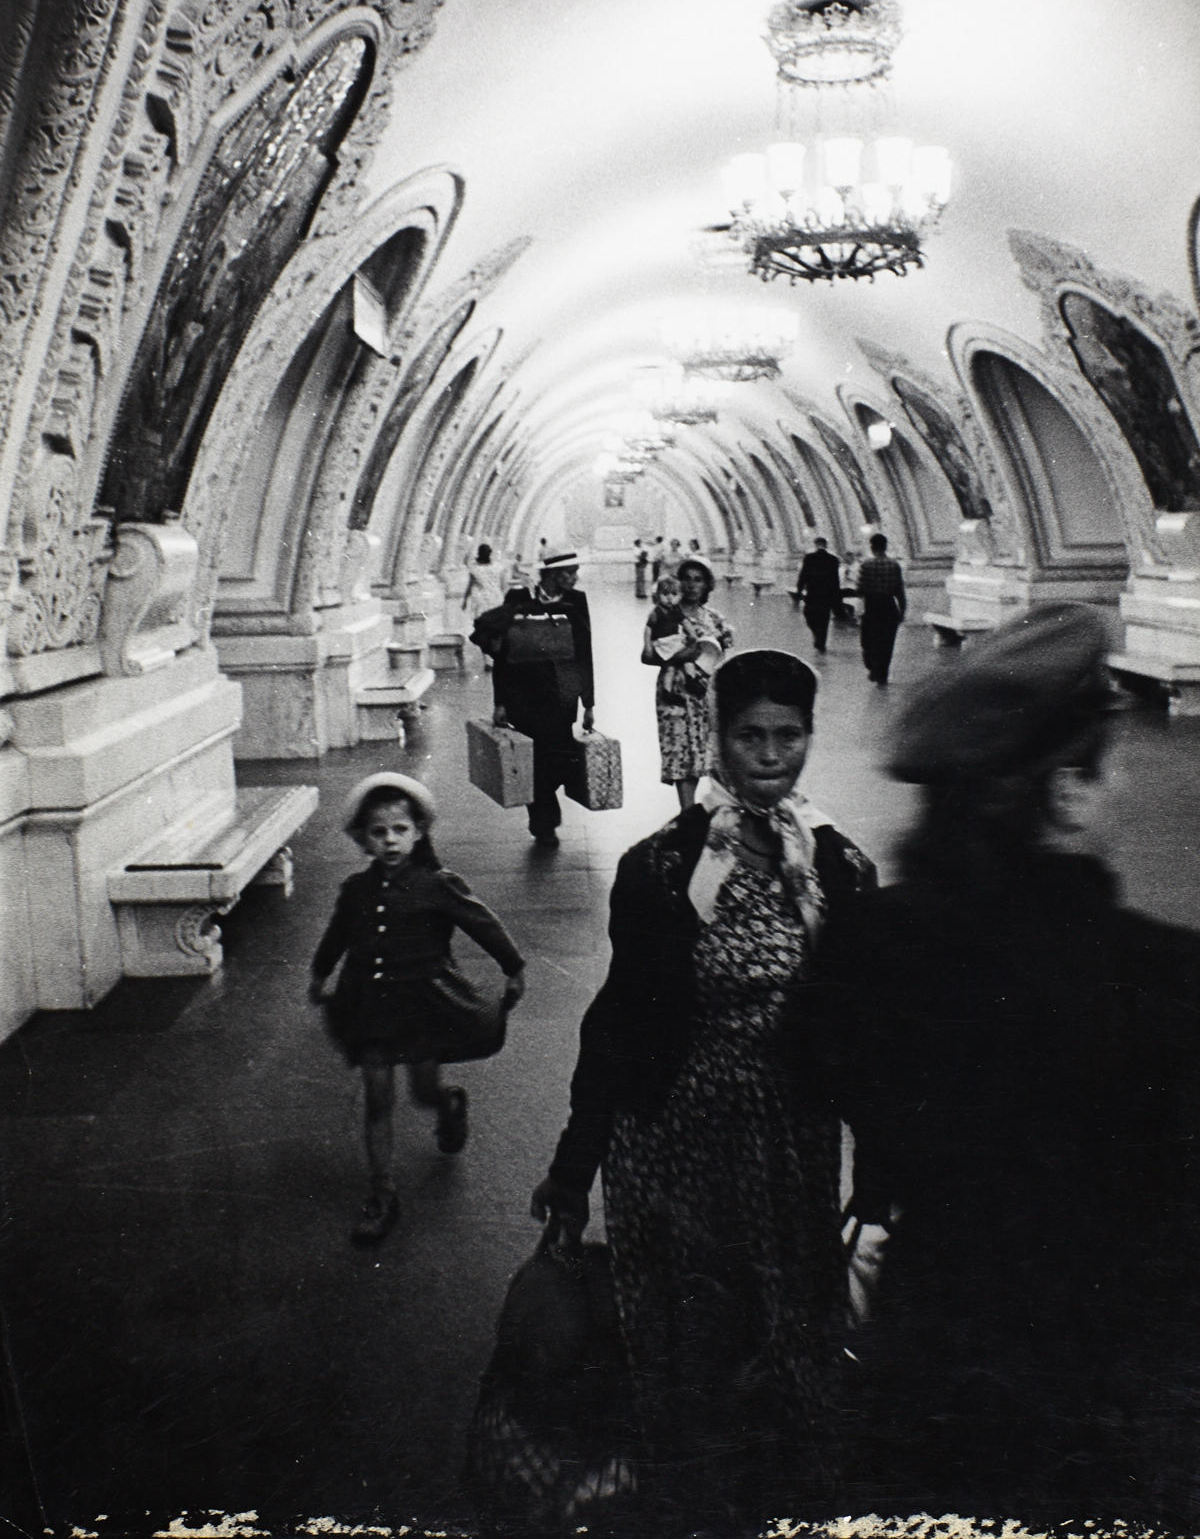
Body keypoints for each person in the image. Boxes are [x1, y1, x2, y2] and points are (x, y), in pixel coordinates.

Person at [811, 604, 1200, 1526]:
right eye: (1104, 767)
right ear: (1065, 792)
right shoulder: (1160, 981)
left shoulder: (866, 945)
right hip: (1105, 1399)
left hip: (929, 1363)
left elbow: (831, 1079)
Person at [531, 650, 877, 1535]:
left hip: (788, 1142)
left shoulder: (839, 869)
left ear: (809, 736)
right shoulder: (661, 867)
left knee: (791, 1321)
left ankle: (784, 1501)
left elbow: (864, 1029)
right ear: (717, 738)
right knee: (693, 1335)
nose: (770, 755)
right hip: (673, 1139)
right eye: (750, 736)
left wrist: (878, 1170)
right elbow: (617, 1022)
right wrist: (573, 1170)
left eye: (788, 736)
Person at [308, 772, 526, 1246]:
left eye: (399, 830)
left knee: (423, 1091)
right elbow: (337, 934)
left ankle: (448, 1104)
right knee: (378, 1097)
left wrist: (512, 966)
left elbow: (481, 922)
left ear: (419, 831)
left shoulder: (437, 885)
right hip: (370, 1006)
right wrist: (320, 972)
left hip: (422, 1006)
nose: (389, 840)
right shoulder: (355, 890)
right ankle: (382, 1192)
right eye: (378, 832)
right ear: (362, 839)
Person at [490, 548, 595, 848]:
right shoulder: (518, 599)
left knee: (559, 757)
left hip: (563, 695)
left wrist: (589, 702)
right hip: (523, 695)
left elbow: (585, 652)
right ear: (552, 574)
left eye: (575, 572)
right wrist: (499, 701)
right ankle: (543, 821)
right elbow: (502, 653)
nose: (574, 578)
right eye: (569, 573)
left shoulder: (576, 601)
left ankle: (545, 808)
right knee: (534, 759)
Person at [641, 554, 733, 809]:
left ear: (707, 585)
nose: (692, 585)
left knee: (709, 749)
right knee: (681, 750)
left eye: (698, 580)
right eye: (687, 579)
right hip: (674, 692)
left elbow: (722, 658)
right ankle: (687, 813)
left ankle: (720, 807)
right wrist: (683, 655)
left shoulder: (715, 619)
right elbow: (646, 656)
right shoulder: (665, 615)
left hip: (705, 691)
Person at [850, 532, 905, 683]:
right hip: (889, 606)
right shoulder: (894, 565)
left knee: (868, 641)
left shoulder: (865, 565)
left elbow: (859, 590)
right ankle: (882, 674)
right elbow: (899, 590)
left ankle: (873, 667)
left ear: (872, 547)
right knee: (887, 642)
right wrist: (902, 610)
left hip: (871, 607)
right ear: (885, 546)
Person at [794, 536, 843, 655]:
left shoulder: (809, 557)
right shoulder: (833, 559)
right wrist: (836, 597)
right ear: (826, 545)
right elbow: (835, 580)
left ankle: (817, 636)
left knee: (809, 615)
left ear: (815, 545)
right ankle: (821, 639)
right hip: (827, 594)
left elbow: (803, 576)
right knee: (824, 618)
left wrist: (799, 591)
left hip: (812, 593)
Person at [461, 542, 505, 618]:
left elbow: (470, 585)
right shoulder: (497, 567)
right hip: (495, 598)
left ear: (479, 553)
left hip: (480, 600)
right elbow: (502, 585)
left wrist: (465, 600)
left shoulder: (475, 568)